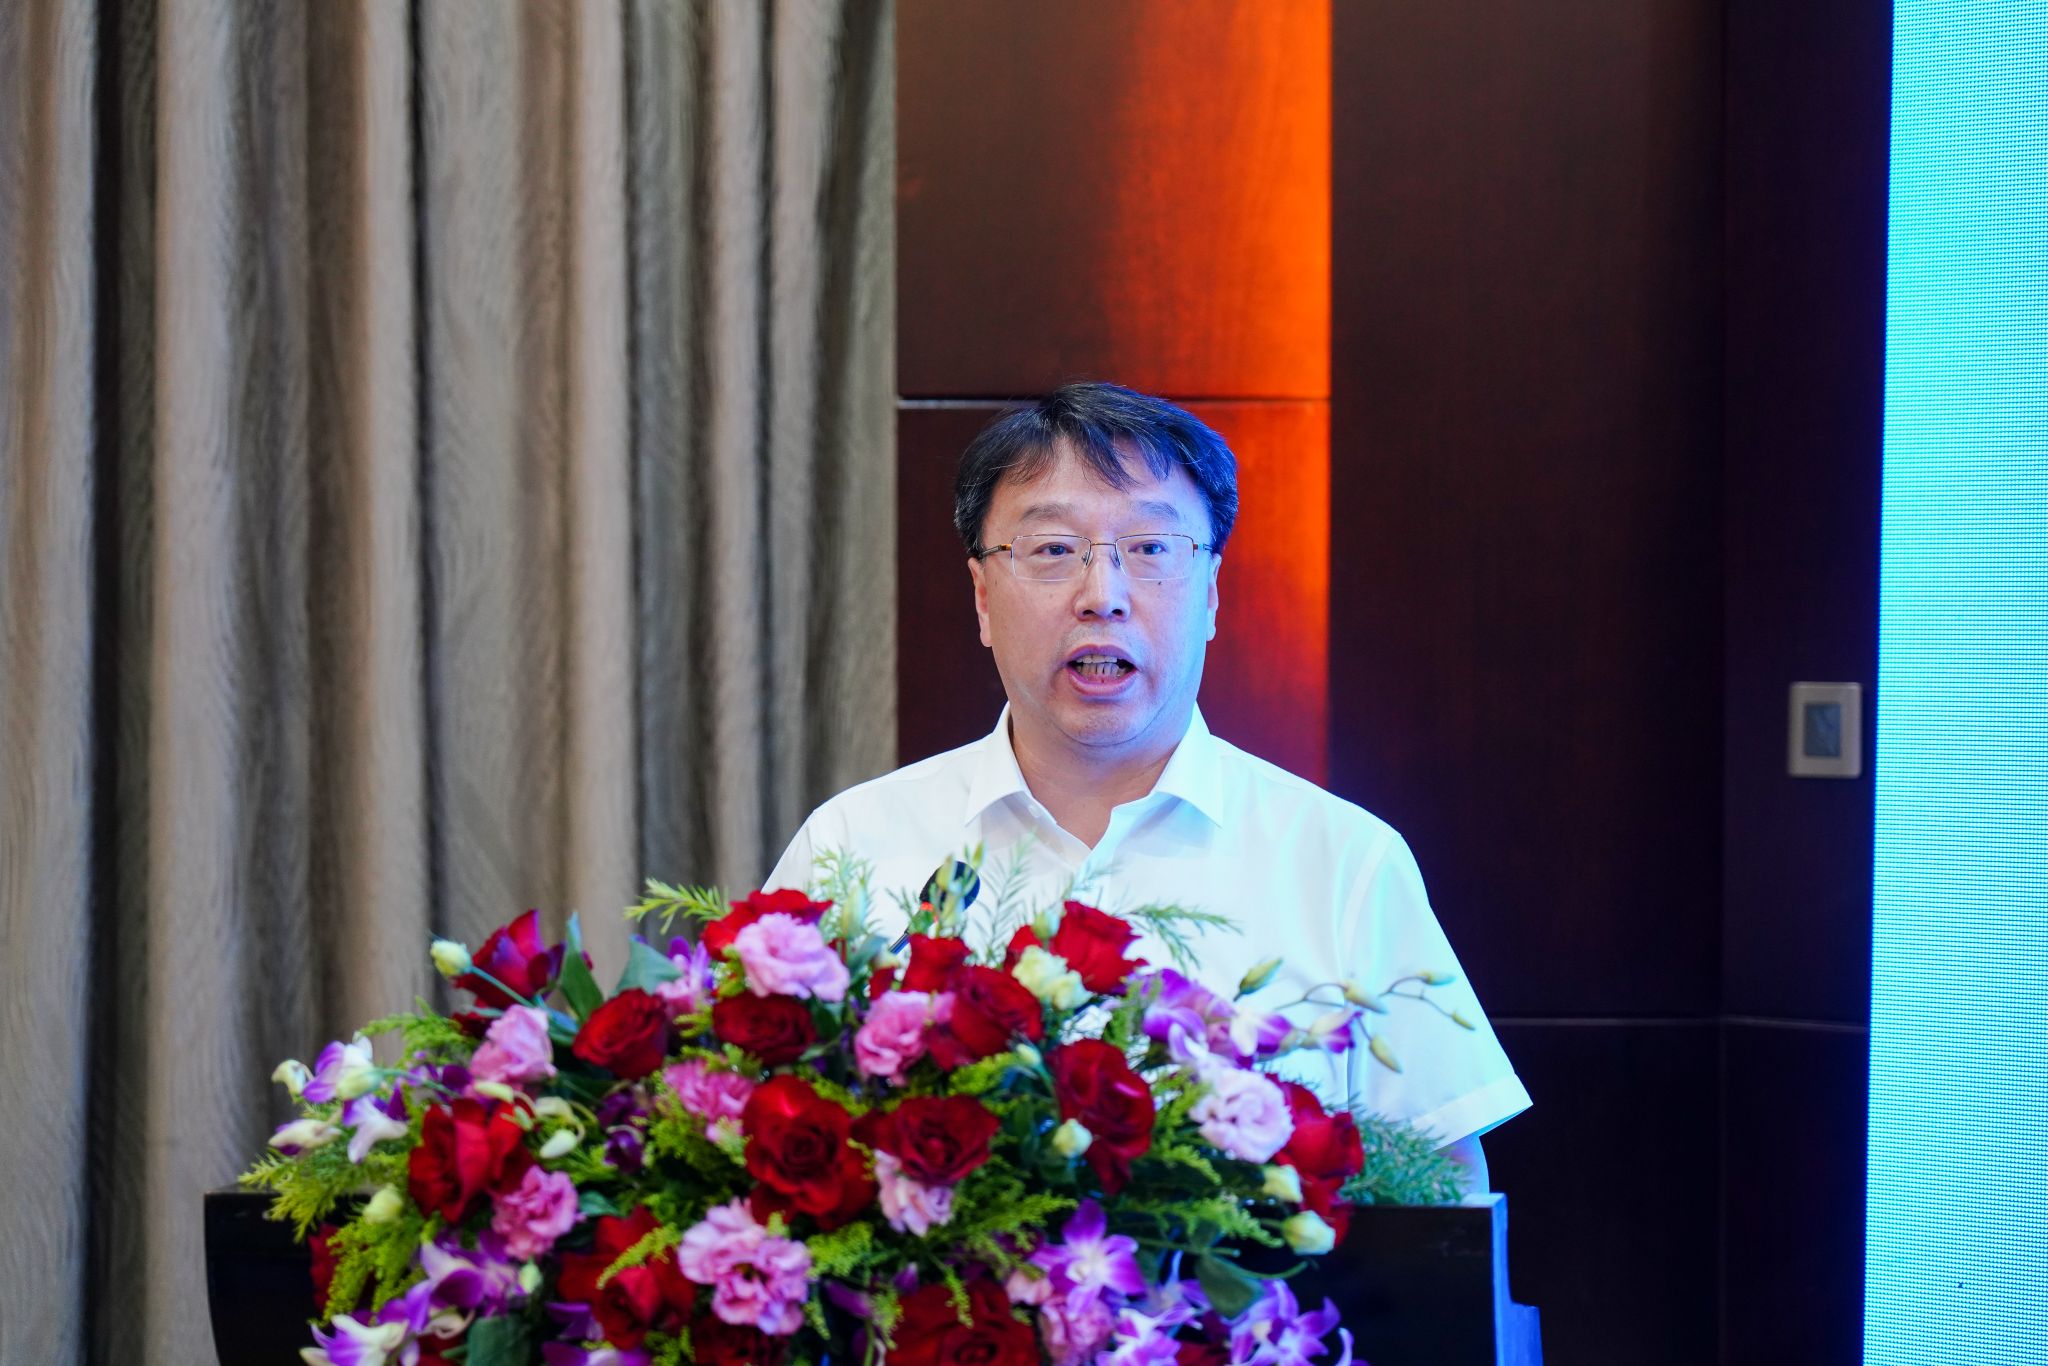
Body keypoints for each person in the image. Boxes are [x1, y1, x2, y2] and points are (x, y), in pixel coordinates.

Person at [766, 382, 1529, 1187]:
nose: (1103, 596)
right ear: (983, 598)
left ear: (1211, 594)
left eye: (1152, 548)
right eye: (1052, 549)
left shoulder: (1343, 862)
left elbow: (1442, 1197)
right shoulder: (854, 845)